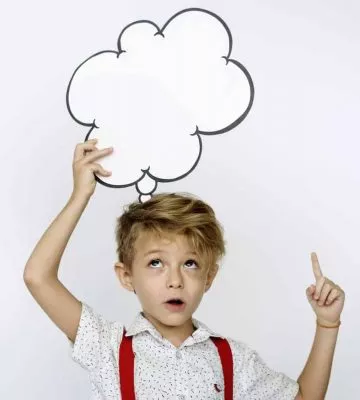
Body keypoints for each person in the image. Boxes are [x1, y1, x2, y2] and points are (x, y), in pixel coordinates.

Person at [23, 139, 344, 399]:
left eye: (190, 264)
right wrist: (81, 195)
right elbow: (38, 277)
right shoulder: (107, 348)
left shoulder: (232, 359)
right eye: (156, 263)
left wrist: (326, 324)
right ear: (126, 275)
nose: (175, 280)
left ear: (209, 277)